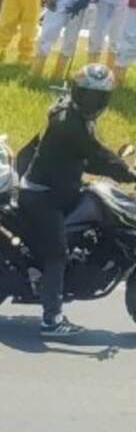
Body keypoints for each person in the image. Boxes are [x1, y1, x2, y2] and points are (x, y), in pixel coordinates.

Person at [19, 64, 136, 338]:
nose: (91, 102)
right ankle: (51, 320)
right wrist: (127, 172)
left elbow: (87, 157)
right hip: (43, 196)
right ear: (76, 92)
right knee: (57, 253)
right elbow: (95, 155)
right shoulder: (67, 123)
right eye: (86, 95)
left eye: (98, 97)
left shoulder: (76, 117)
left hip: (59, 188)